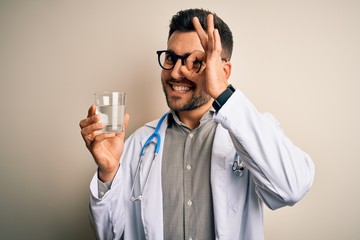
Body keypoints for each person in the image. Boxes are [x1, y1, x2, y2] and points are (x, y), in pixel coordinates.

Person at [79, 8, 315, 240]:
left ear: (223, 71)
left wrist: (222, 91)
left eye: (195, 62)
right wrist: (108, 174)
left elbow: (291, 188)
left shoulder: (252, 132)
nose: (175, 73)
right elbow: (110, 235)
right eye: (171, 58)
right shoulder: (139, 144)